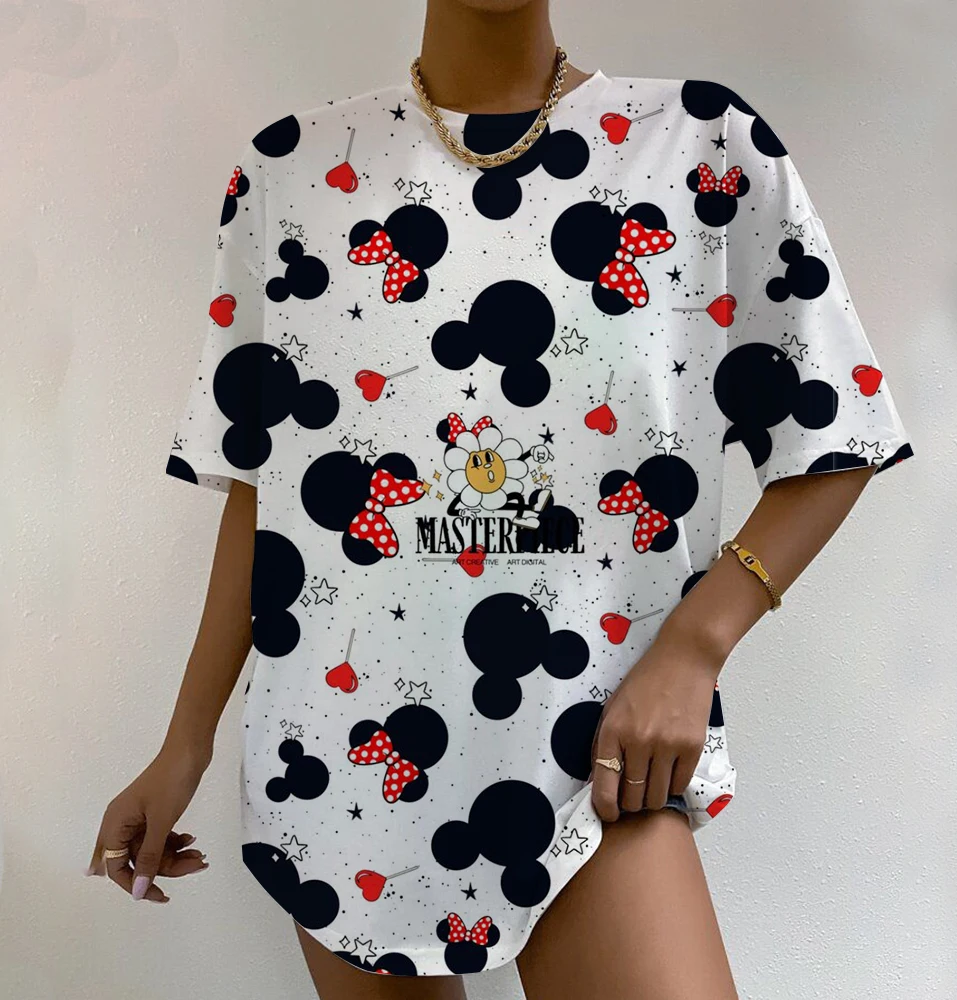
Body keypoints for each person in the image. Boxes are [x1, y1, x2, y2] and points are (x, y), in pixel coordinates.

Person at [86, 1, 914, 997]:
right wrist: (185, 742)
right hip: (347, 763)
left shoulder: (701, 149)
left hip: (599, 752)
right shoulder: (290, 173)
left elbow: (835, 428)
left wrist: (698, 645)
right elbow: (268, 487)